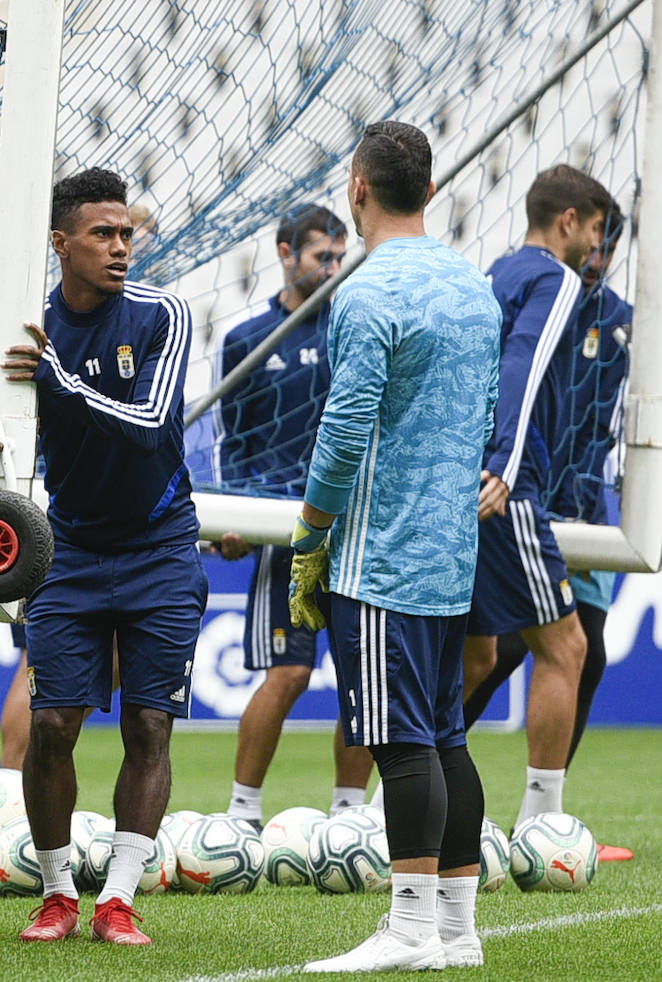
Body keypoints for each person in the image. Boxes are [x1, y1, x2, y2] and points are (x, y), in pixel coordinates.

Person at [289, 121, 501, 973]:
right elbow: (483, 419)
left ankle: (410, 930)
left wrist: (311, 533)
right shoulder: (474, 288)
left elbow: (344, 431)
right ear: (433, 191)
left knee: (400, 742)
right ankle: (459, 931)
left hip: (380, 554)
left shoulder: (368, 291)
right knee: (445, 736)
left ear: (357, 188)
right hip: (450, 555)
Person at [1, 167, 206, 946]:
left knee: (150, 724)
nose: (122, 247)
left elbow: (153, 423)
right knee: (52, 723)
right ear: (60, 243)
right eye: (102, 234)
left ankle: (118, 898)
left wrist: (58, 382)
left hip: (159, 547)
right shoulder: (29, 322)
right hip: (72, 548)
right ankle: (57, 894)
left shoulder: (161, 313)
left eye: (127, 234)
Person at [463, 203, 633, 860]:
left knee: (581, 645)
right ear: (571, 225)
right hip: (516, 486)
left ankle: (544, 813)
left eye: (611, 245)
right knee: (516, 651)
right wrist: (506, 461)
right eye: (596, 237)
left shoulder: (618, 319)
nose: (601, 253)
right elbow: (519, 374)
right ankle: (538, 823)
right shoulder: (538, 283)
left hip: (579, 500)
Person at [211, 204, 373, 825]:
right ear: (285, 253)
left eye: (339, 257)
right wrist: (233, 518)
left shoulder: (354, 331)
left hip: (357, 528)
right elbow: (235, 443)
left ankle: (349, 815)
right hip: (284, 532)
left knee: (363, 679)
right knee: (290, 673)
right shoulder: (246, 339)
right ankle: (241, 812)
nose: (332, 268)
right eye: (320, 257)